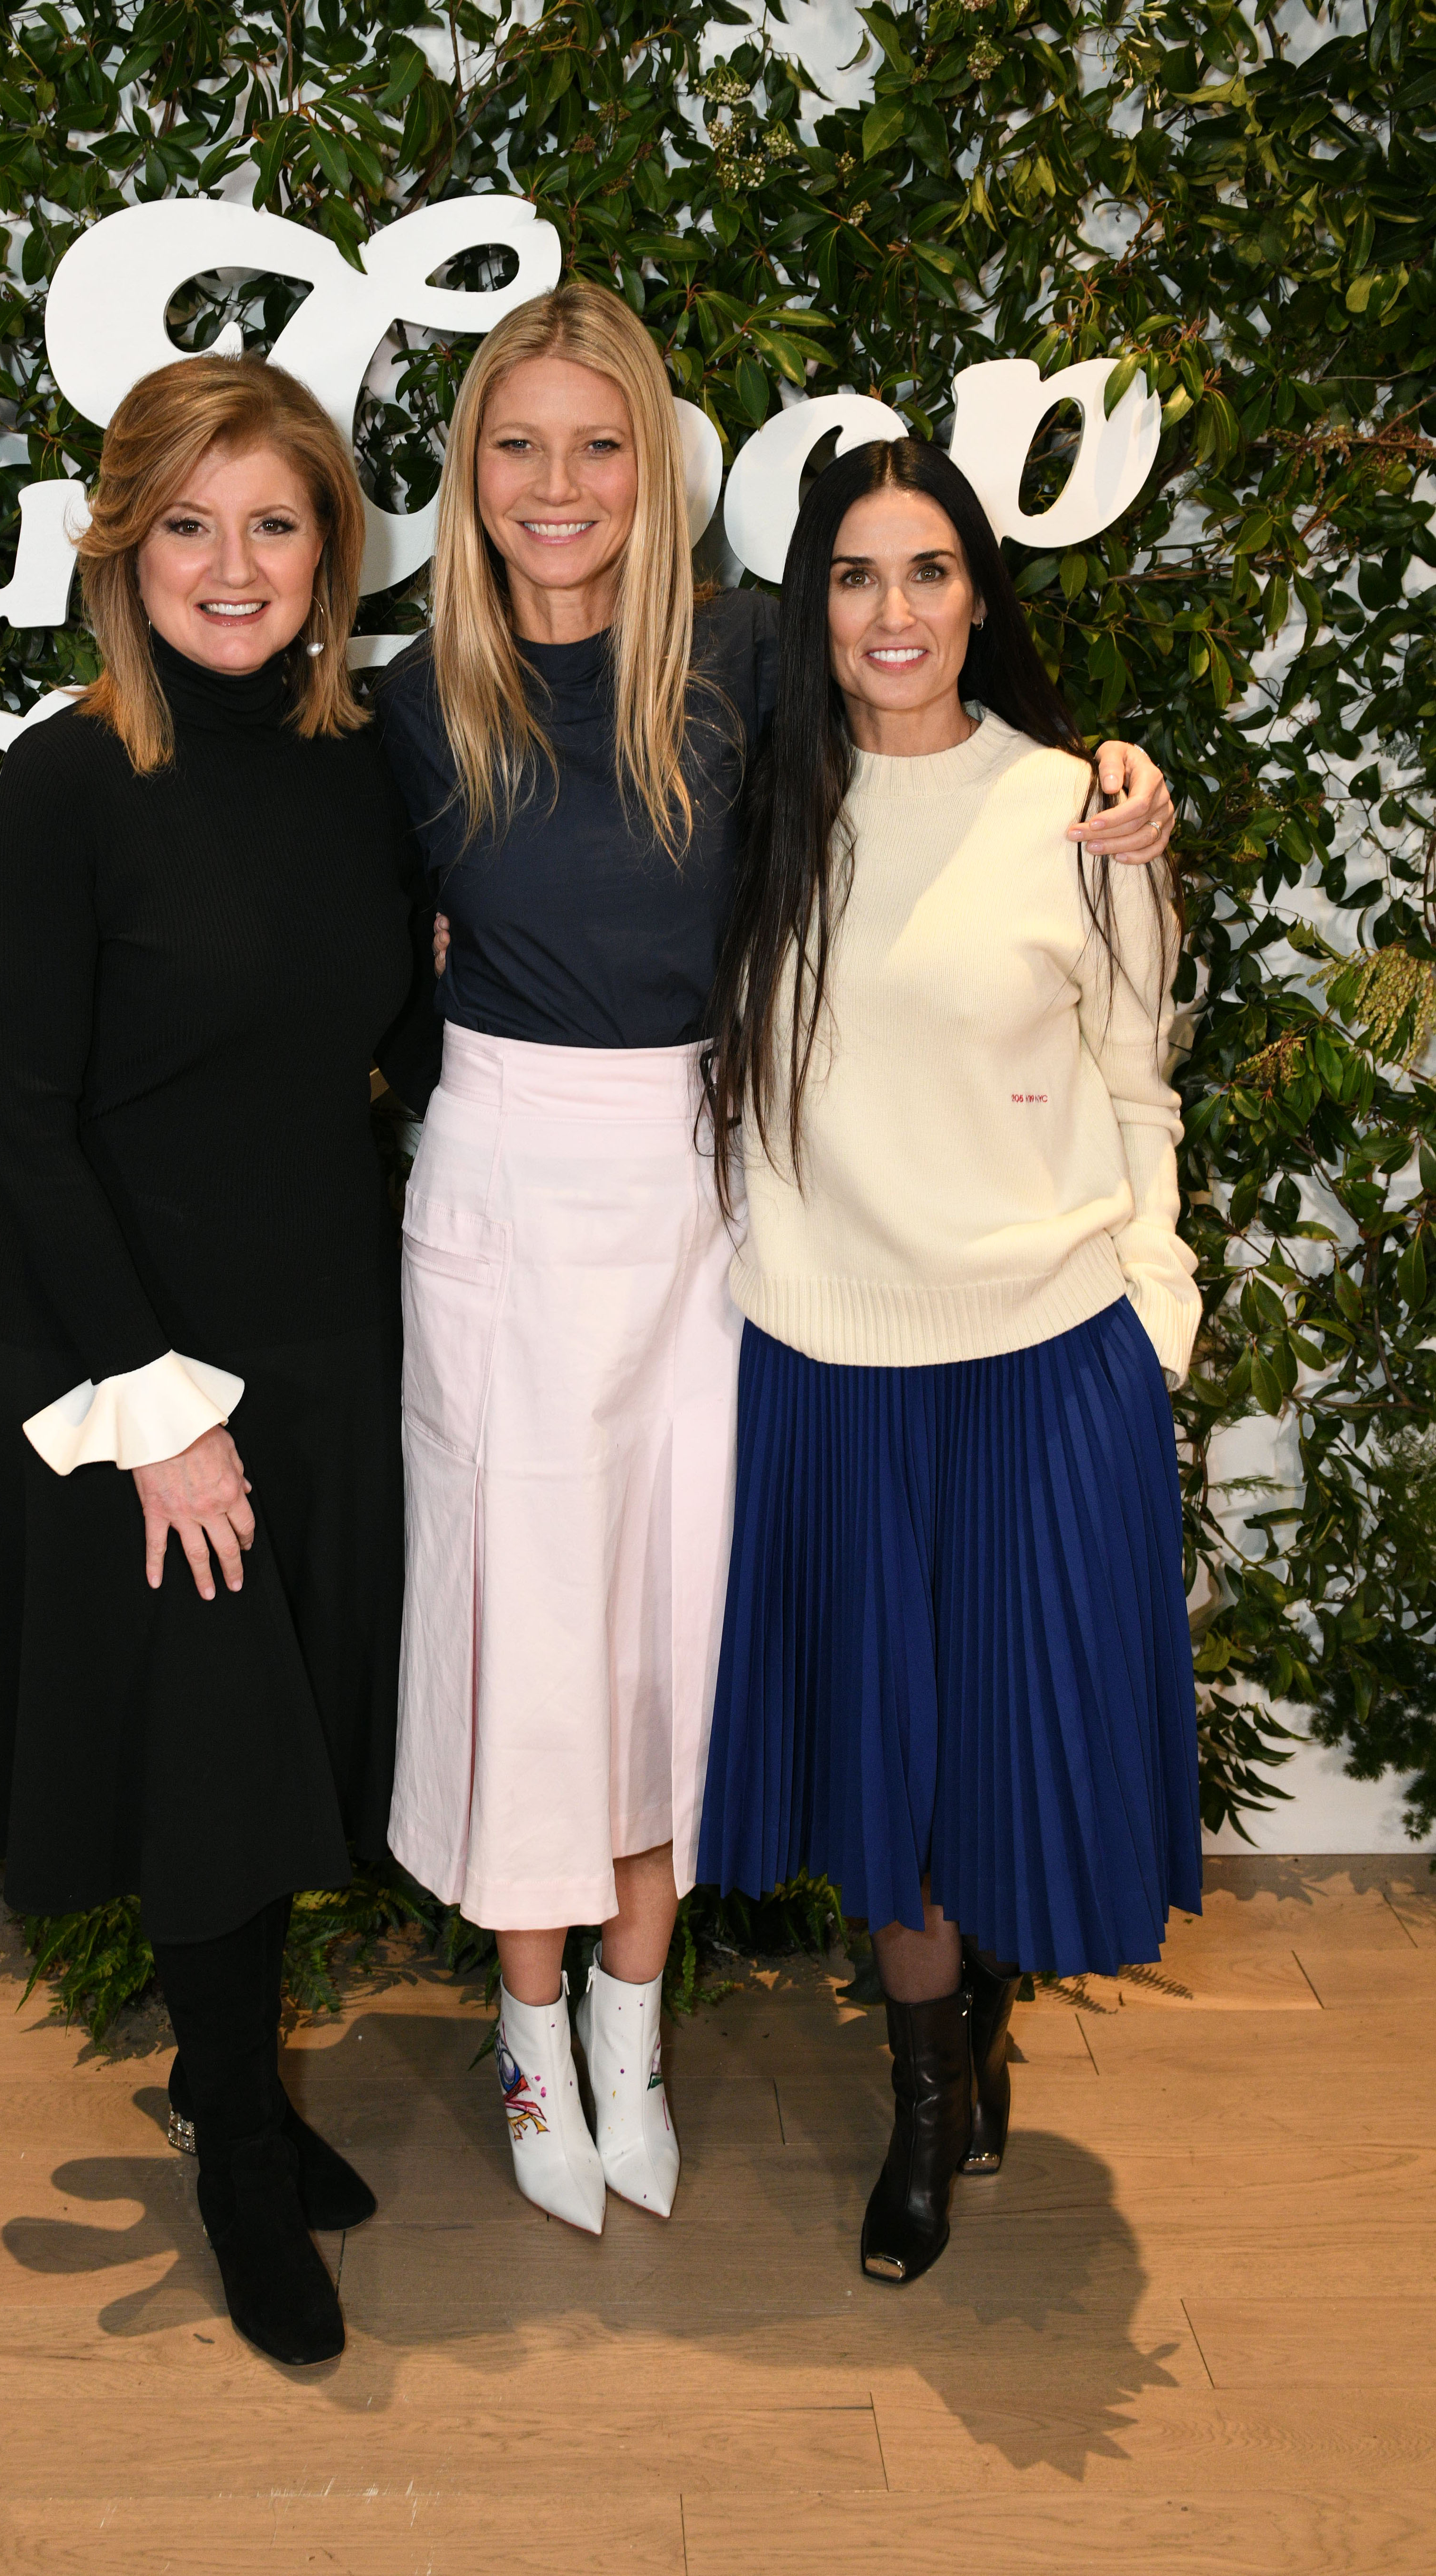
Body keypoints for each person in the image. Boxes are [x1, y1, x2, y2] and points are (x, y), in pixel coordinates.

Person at [377, 280, 1179, 2236]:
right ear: (469, 474)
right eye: (517, 443)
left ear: (652, 470)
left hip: (700, 1217)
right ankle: (527, 2038)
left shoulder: (739, 663)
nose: (558, 484)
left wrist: (1115, 784)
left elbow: (959, 819)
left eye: (597, 444)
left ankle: (641, 2037)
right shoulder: (400, 699)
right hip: (505, 1199)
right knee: (521, 1643)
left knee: (666, 1640)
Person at [0, 353, 440, 2366]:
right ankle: (233, 2130)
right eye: (191, 525)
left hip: (328, 1327)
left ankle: (239, 2079)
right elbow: (27, 1120)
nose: (234, 566)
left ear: (332, 550)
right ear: (123, 548)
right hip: (144, 1365)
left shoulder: (361, 755)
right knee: (216, 1767)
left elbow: (376, 1024)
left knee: (287, 1736)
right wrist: (157, 1422)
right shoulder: (66, 780)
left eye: (276, 522)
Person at [699, 435, 1202, 2288]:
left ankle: (977, 2013)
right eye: (852, 574)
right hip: (824, 1358)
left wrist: (1152, 1303)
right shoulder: (756, 803)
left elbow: (1139, 1080)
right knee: (890, 1771)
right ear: (808, 609)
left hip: (1040, 1351)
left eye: (925, 571)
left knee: (999, 1748)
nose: (890, 610)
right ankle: (921, 2095)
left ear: (980, 594)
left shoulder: (1078, 808)